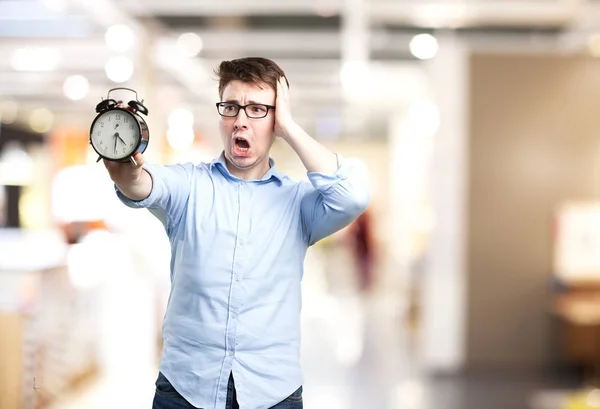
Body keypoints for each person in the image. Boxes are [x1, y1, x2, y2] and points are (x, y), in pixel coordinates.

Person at [104, 57, 370, 409]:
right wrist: (122, 162)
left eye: (258, 109)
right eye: (231, 107)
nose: (240, 121)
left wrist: (289, 126)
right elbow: (138, 183)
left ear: (275, 118)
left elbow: (352, 195)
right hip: (186, 389)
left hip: (274, 393)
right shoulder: (189, 185)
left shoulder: (298, 202)